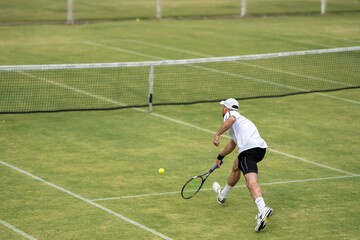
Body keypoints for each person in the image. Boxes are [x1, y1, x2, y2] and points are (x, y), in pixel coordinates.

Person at [212, 98, 273, 232]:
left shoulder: (231, 116)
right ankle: (222, 196)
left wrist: (217, 135)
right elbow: (232, 144)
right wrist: (220, 156)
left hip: (249, 150)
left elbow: (231, 120)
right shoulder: (239, 124)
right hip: (260, 149)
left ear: (226, 109)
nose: (222, 109)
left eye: (223, 107)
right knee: (236, 165)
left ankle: (263, 209)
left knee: (250, 181)